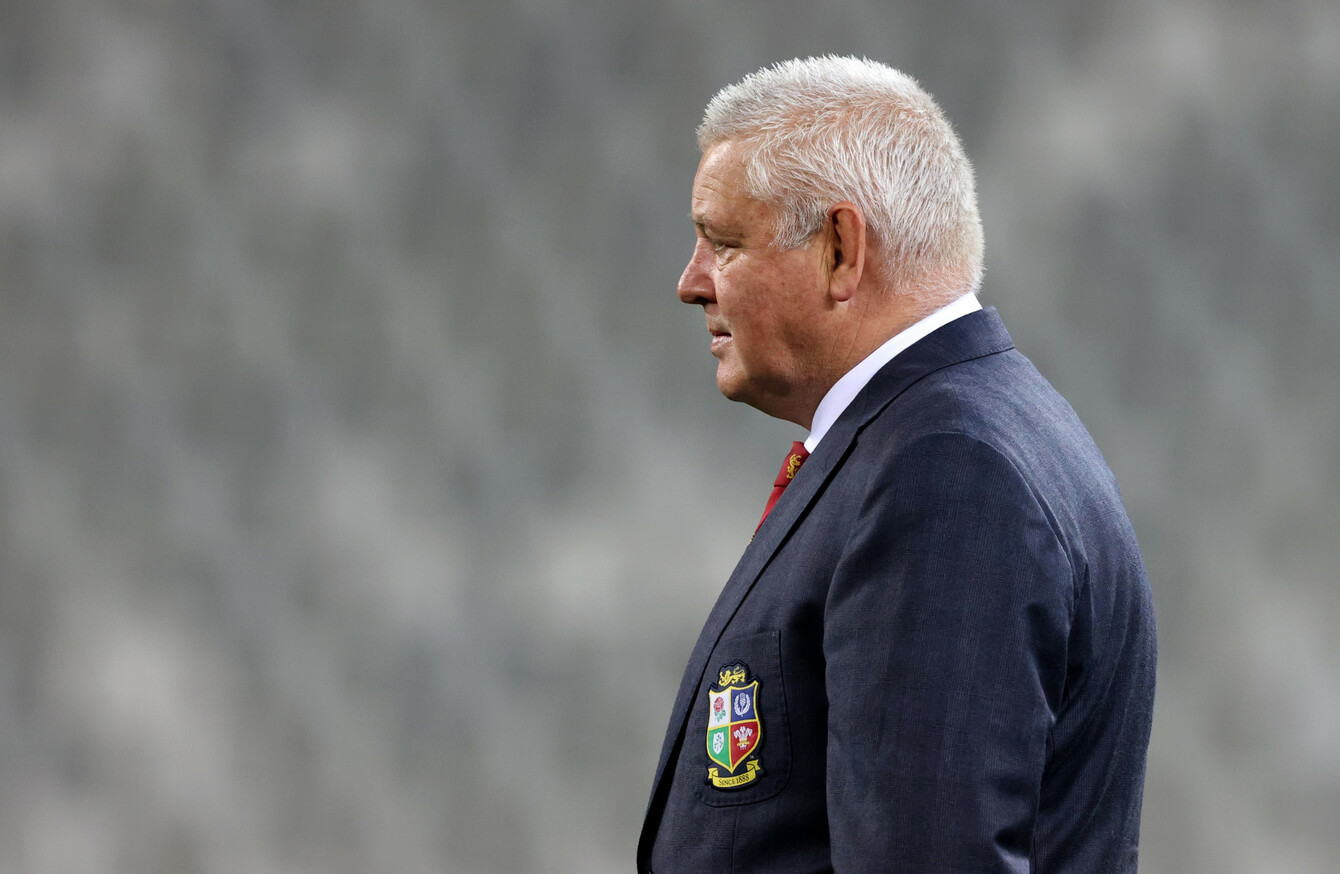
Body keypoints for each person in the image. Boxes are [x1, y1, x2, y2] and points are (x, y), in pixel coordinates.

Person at [637, 56, 1156, 873]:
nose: (690, 282)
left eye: (724, 242)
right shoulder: (955, 436)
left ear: (841, 250)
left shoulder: (948, 475)